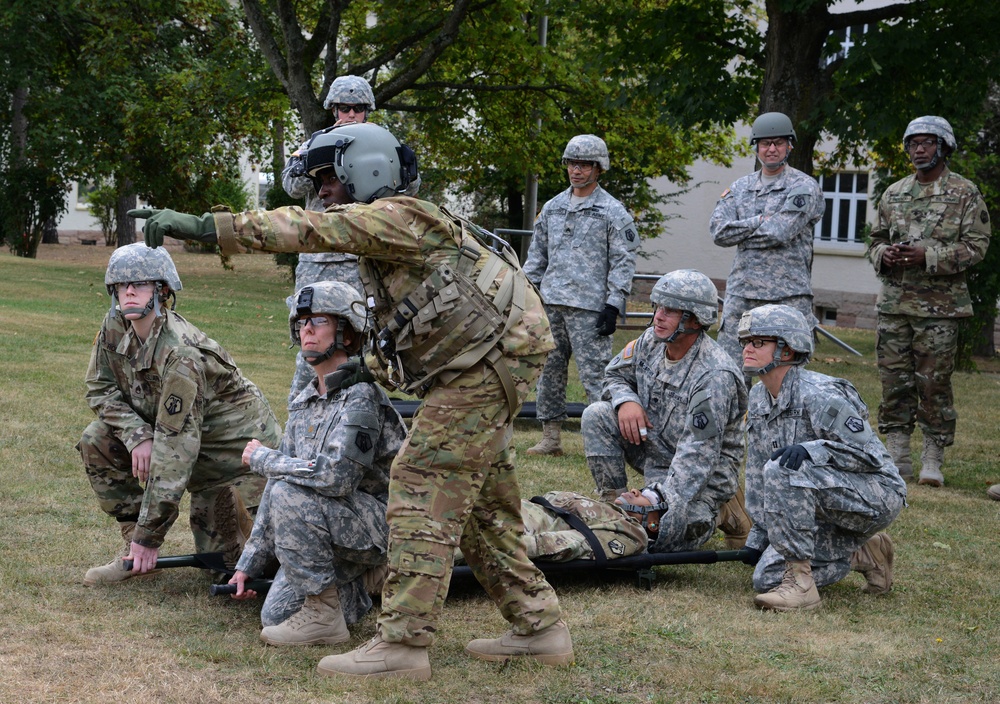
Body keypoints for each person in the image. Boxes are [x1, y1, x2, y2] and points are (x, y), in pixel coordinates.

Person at [129, 122, 573, 681]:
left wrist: (205, 228)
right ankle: (539, 626)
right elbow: (407, 332)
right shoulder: (393, 242)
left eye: (327, 178)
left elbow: (306, 228)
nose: (323, 191)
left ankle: (402, 646)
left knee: (420, 483)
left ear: (364, 168)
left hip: (482, 369)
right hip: (481, 366)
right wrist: (369, 364)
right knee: (482, 504)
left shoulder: (401, 215)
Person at [79, 243, 281, 586]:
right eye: (121, 285)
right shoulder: (115, 324)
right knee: (97, 438)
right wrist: (136, 435)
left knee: (233, 571)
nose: (128, 290)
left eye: (140, 284)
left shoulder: (180, 352)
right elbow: (99, 387)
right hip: (187, 445)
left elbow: (176, 451)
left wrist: (151, 536)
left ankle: (247, 522)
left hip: (236, 461)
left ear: (162, 291)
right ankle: (134, 548)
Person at [227, 281, 407, 647]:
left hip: (382, 523)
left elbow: (337, 479)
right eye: (302, 321)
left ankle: (326, 615)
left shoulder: (361, 397)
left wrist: (265, 458)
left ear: (348, 332)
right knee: (274, 614)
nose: (306, 328)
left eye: (319, 320)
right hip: (335, 524)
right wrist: (248, 563)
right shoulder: (306, 400)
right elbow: (282, 480)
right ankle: (358, 583)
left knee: (289, 491)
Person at [738, 304, 906, 612]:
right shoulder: (760, 397)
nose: (748, 348)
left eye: (759, 342)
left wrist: (812, 450)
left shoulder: (821, 395)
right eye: (746, 341)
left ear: (787, 349)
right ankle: (863, 552)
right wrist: (760, 533)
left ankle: (803, 586)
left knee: (785, 468)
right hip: (817, 500)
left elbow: (870, 457)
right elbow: (758, 470)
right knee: (766, 578)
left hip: (874, 494)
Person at [580, 269, 749, 553]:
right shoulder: (650, 341)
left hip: (701, 477)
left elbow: (697, 459)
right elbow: (613, 376)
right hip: (656, 454)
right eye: (658, 306)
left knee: (652, 536)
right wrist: (625, 401)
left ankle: (725, 510)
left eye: (670, 310)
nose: (658, 316)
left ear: (695, 318)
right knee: (597, 414)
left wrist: (654, 500)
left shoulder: (714, 375)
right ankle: (614, 506)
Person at [866, 116, 991, 487]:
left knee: (934, 382)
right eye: (913, 143)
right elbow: (875, 239)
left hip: (940, 308)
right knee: (894, 381)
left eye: (927, 142)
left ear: (944, 147)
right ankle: (897, 453)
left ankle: (932, 456)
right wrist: (884, 255)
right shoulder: (894, 193)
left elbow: (978, 246)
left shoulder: (964, 193)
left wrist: (929, 257)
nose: (919, 149)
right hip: (894, 305)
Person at [522, 134, 639, 456]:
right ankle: (551, 437)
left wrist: (614, 304)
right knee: (549, 373)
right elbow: (537, 256)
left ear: (599, 168)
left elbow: (623, 260)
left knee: (597, 376)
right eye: (573, 163)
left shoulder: (612, 211)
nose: (577, 170)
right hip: (551, 303)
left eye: (585, 165)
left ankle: (601, 437)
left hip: (590, 307)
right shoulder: (554, 207)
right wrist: (527, 294)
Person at [281, 75, 373, 405]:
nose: (350, 115)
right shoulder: (316, 142)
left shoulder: (379, 145)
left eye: (357, 109)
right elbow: (291, 187)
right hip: (316, 261)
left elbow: (409, 186)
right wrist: (317, 158)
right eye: (343, 108)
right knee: (310, 343)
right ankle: (300, 415)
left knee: (362, 341)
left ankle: (356, 416)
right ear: (333, 109)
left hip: (359, 260)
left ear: (367, 111)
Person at [709, 111, 825, 370]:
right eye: (765, 143)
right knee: (732, 371)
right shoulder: (739, 188)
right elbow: (718, 232)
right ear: (756, 147)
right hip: (742, 294)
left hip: (787, 295)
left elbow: (780, 232)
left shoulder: (803, 187)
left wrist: (742, 231)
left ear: (789, 146)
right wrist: (759, 220)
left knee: (786, 373)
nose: (772, 149)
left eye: (779, 143)